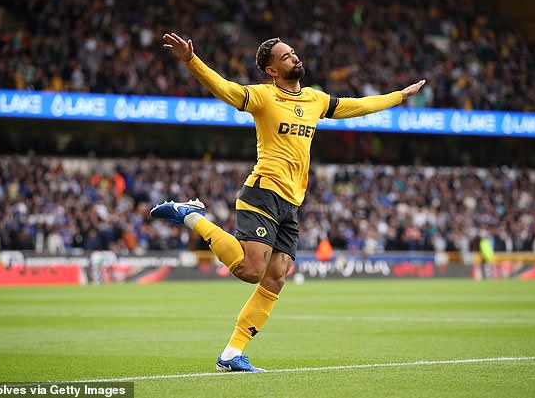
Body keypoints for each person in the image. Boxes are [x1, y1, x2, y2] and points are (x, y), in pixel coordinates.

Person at [151, 33, 425, 372]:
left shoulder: (315, 100)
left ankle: (231, 354)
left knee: (276, 276)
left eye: (294, 53)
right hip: (263, 191)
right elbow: (225, 89)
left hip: (291, 203)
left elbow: (358, 106)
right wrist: (191, 60)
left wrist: (399, 96)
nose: (295, 58)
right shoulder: (264, 96)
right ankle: (192, 216)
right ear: (272, 70)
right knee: (252, 271)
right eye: (286, 56)